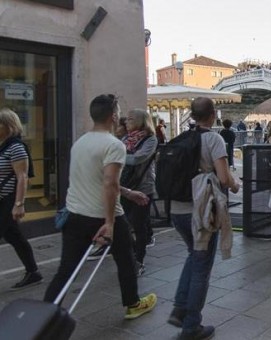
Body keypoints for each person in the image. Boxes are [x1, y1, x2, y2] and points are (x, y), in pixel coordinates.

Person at [43, 94, 157, 320]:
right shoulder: (114, 145)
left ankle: (45, 313)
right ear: (114, 116)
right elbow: (109, 184)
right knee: (125, 259)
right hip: (104, 215)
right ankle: (133, 303)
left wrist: (129, 193)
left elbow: (97, 180)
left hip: (75, 214)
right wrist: (109, 223)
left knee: (67, 269)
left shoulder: (81, 142)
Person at [167, 97, 240, 340]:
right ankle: (190, 326)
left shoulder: (180, 139)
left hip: (177, 210)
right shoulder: (213, 139)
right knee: (202, 267)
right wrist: (236, 184)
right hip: (202, 212)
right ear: (212, 115)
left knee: (194, 255)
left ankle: (180, 306)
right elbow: (223, 177)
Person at [0, 108, 42, 290]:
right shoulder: (3, 145)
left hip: (9, 200)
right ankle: (33, 272)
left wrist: (19, 204)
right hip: (2, 200)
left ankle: (33, 272)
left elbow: (22, 177)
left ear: (8, 126)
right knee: (14, 236)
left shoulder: (16, 146)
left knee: (13, 235)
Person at [120, 109, 158, 276]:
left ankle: (139, 259)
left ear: (142, 121)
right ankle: (130, 254)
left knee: (138, 225)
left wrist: (117, 156)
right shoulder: (125, 139)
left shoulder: (150, 139)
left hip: (143, 187)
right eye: (126, 119)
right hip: (125, 187)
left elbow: (138, 159)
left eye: (130, 119)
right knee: (125, 224)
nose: (127, 122)